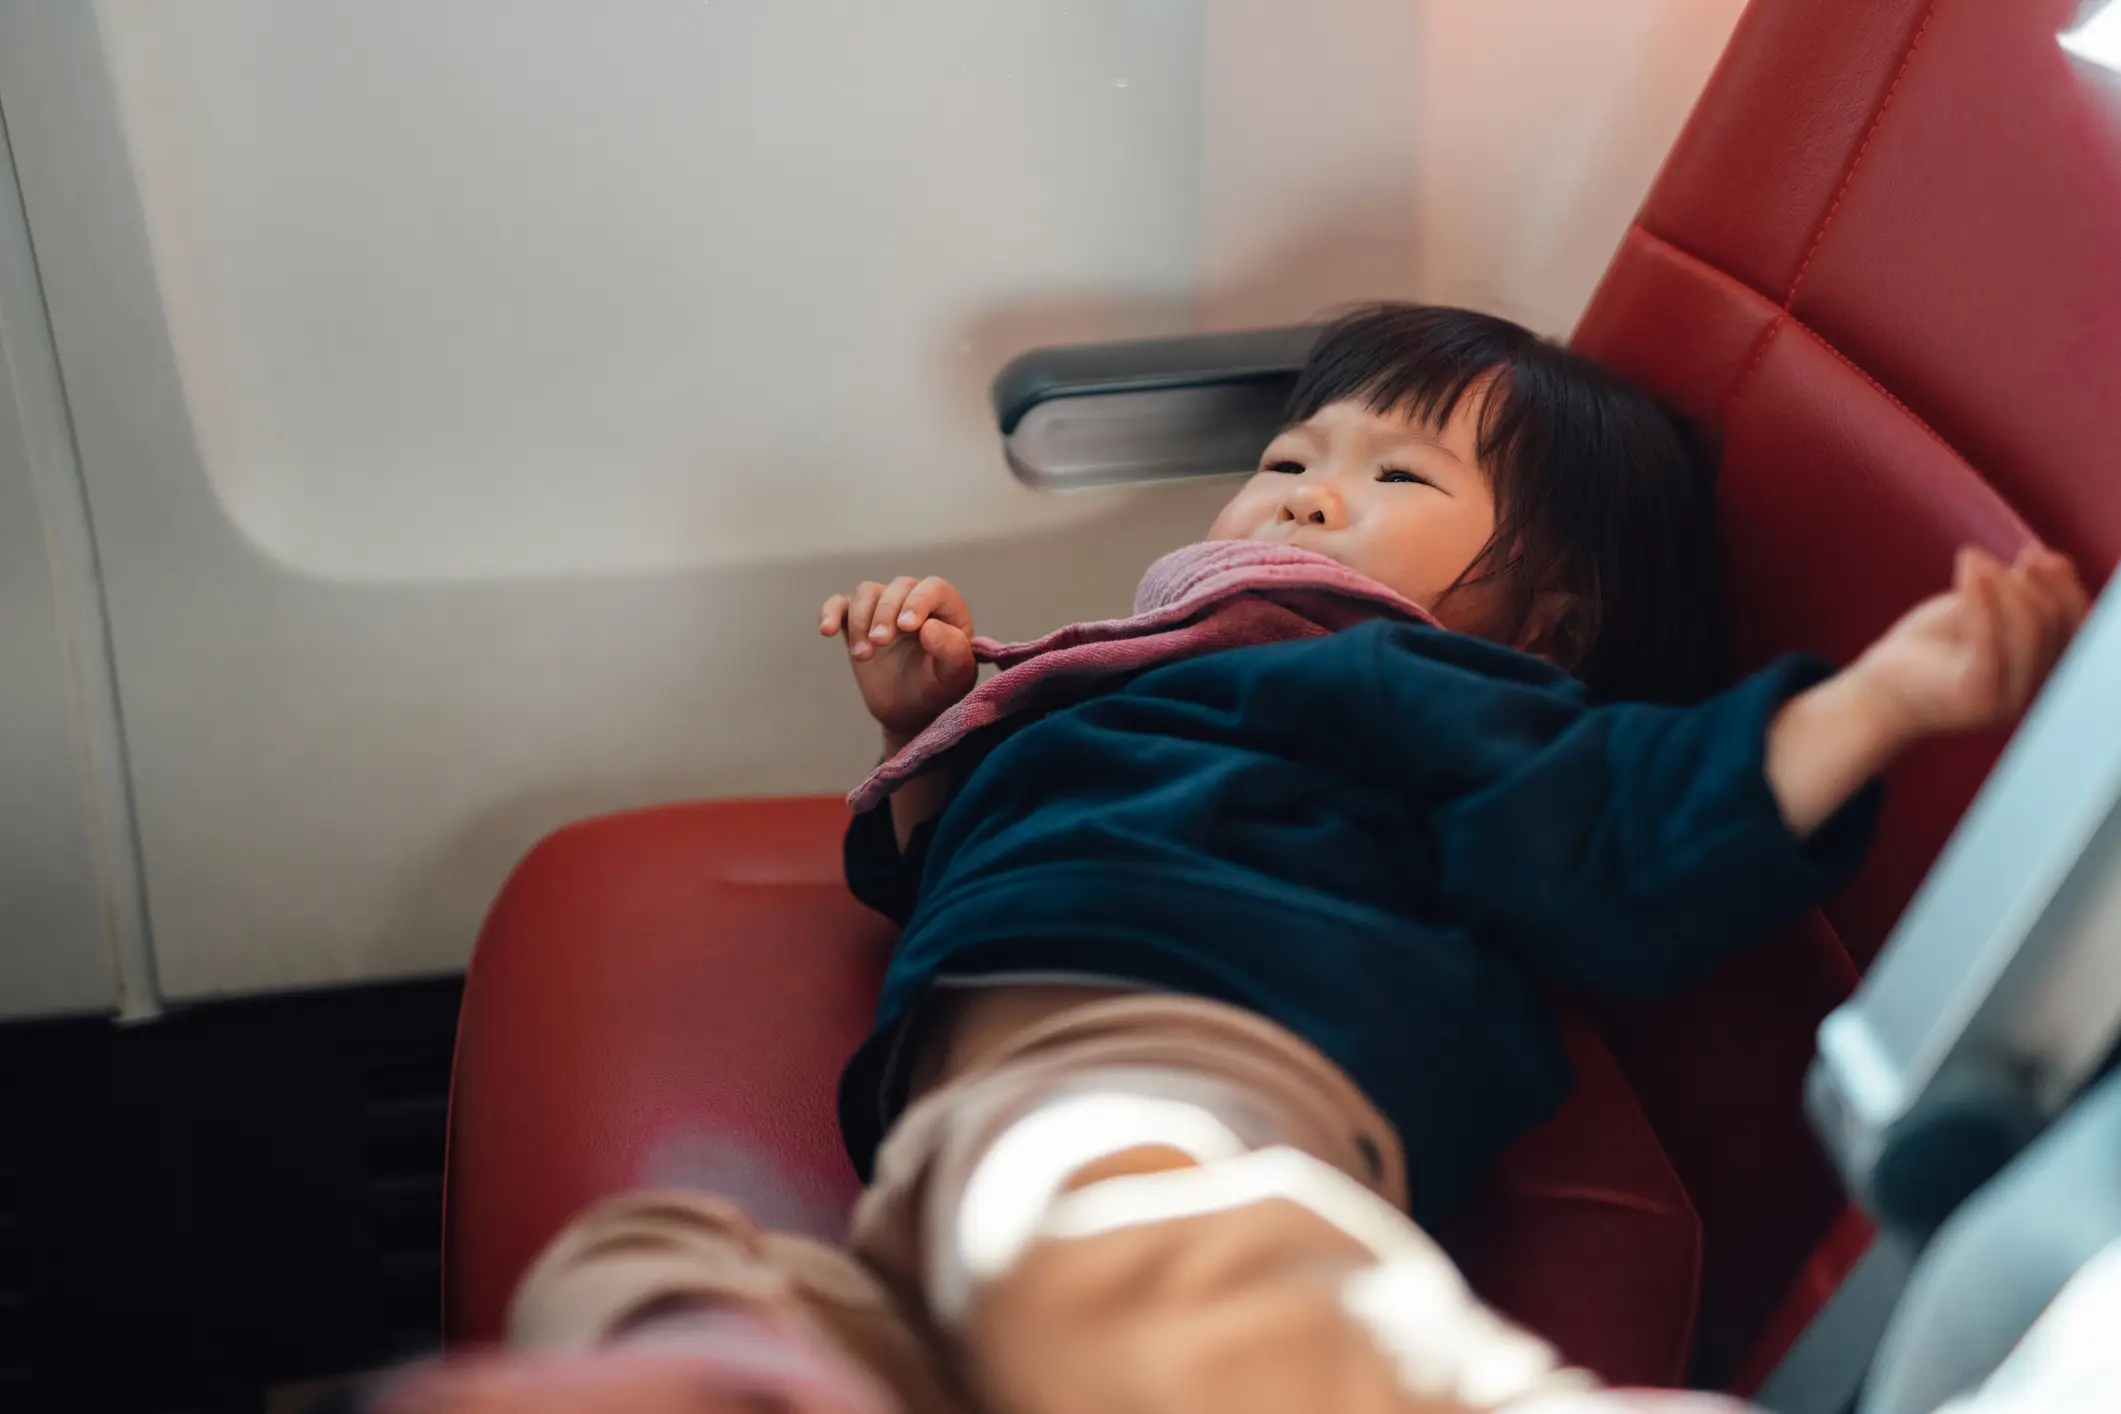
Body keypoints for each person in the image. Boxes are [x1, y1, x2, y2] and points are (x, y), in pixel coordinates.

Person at [365, 305, 2089, 1414]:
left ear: (1546, 622)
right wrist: (932, 720)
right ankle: (757, 1363)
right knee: (649, 1258)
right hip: (956, 1125)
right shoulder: (1150, 666)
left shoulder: (1418, 681)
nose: (1304, 494)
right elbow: (992, 839)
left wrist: (1874, 702)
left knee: (1108, 1223)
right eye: (1285, 457)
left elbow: (1623, 818)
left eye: (1395, 471)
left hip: (1206, 1053)